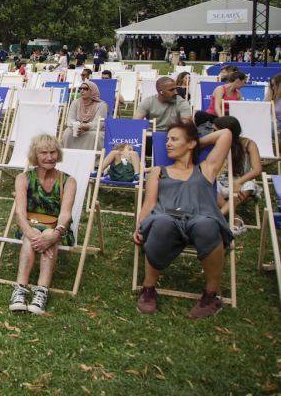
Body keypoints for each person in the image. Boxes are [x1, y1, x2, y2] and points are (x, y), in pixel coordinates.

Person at [133, 120, 234, 318]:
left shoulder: (206, 169)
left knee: (207, 224)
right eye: (167, 139)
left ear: (191, 143)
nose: (168, 143)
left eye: (174, 139)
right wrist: (139, 227)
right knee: (161, 221)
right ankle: (148, 289)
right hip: (168, 217)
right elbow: (149, 204)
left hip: (200, 218)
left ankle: (213, 294)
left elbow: (226, 134)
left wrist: (196, 142)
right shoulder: (159, 171)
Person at [8, 134, 77, 315]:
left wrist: (56, 233)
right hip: (29, 228)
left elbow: (65, 214)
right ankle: (21, 289)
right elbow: (20, 214)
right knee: (33, 238)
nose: (49, 157)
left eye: (53, 152)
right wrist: (31, 233)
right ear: (35, 155)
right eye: (44, 153)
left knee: (48, 236)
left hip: (58, 231)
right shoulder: (23, 178)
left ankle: (41, 291)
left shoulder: (68, 181)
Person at [212, 116, 262, 236]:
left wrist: (237, 182)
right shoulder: (215, 143)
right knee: (207, 182)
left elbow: (257, 170)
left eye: (215, 130)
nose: (212, 133)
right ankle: (235, 217)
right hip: (220, 185)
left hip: (240, 184)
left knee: (250, 184)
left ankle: (218, 216)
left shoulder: (248, 144)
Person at [61, 81, 108, 150]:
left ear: (93, 91)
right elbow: (70, 119)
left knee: (93, 136)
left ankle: (90, 158)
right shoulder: (75, 102)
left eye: (85, 89)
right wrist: (76, 126)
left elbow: (98, 124)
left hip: (93, 130)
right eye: (81, 88)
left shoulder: (101, 105)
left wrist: (85, 127)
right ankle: (69, 156)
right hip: (76, 127)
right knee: (67, 132)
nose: (82, 91)